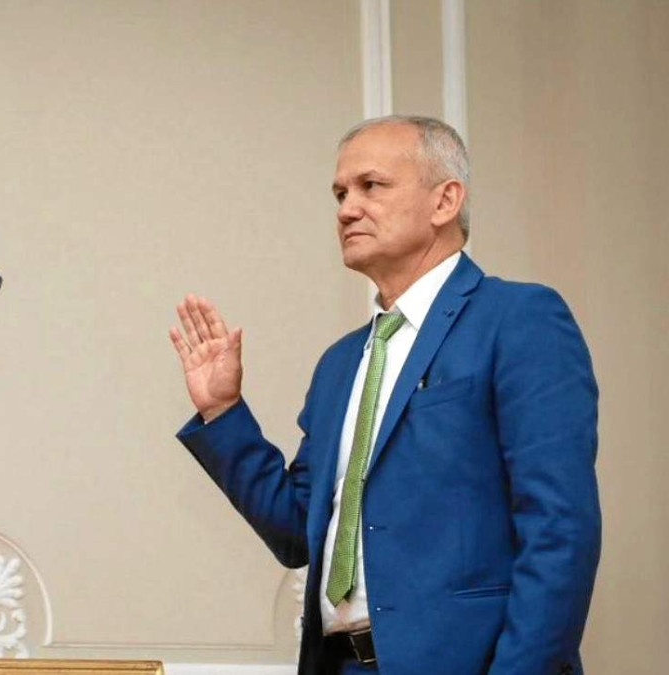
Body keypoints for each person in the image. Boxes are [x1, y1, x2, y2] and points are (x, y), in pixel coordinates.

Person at [170, 115, 600, 675]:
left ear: (445, 201)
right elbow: (300, 533)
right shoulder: (340, 363)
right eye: (340, 194)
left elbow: (560, 530)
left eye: (371, 186)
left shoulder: (519, 318)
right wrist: (222, 411)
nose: (347, 209)